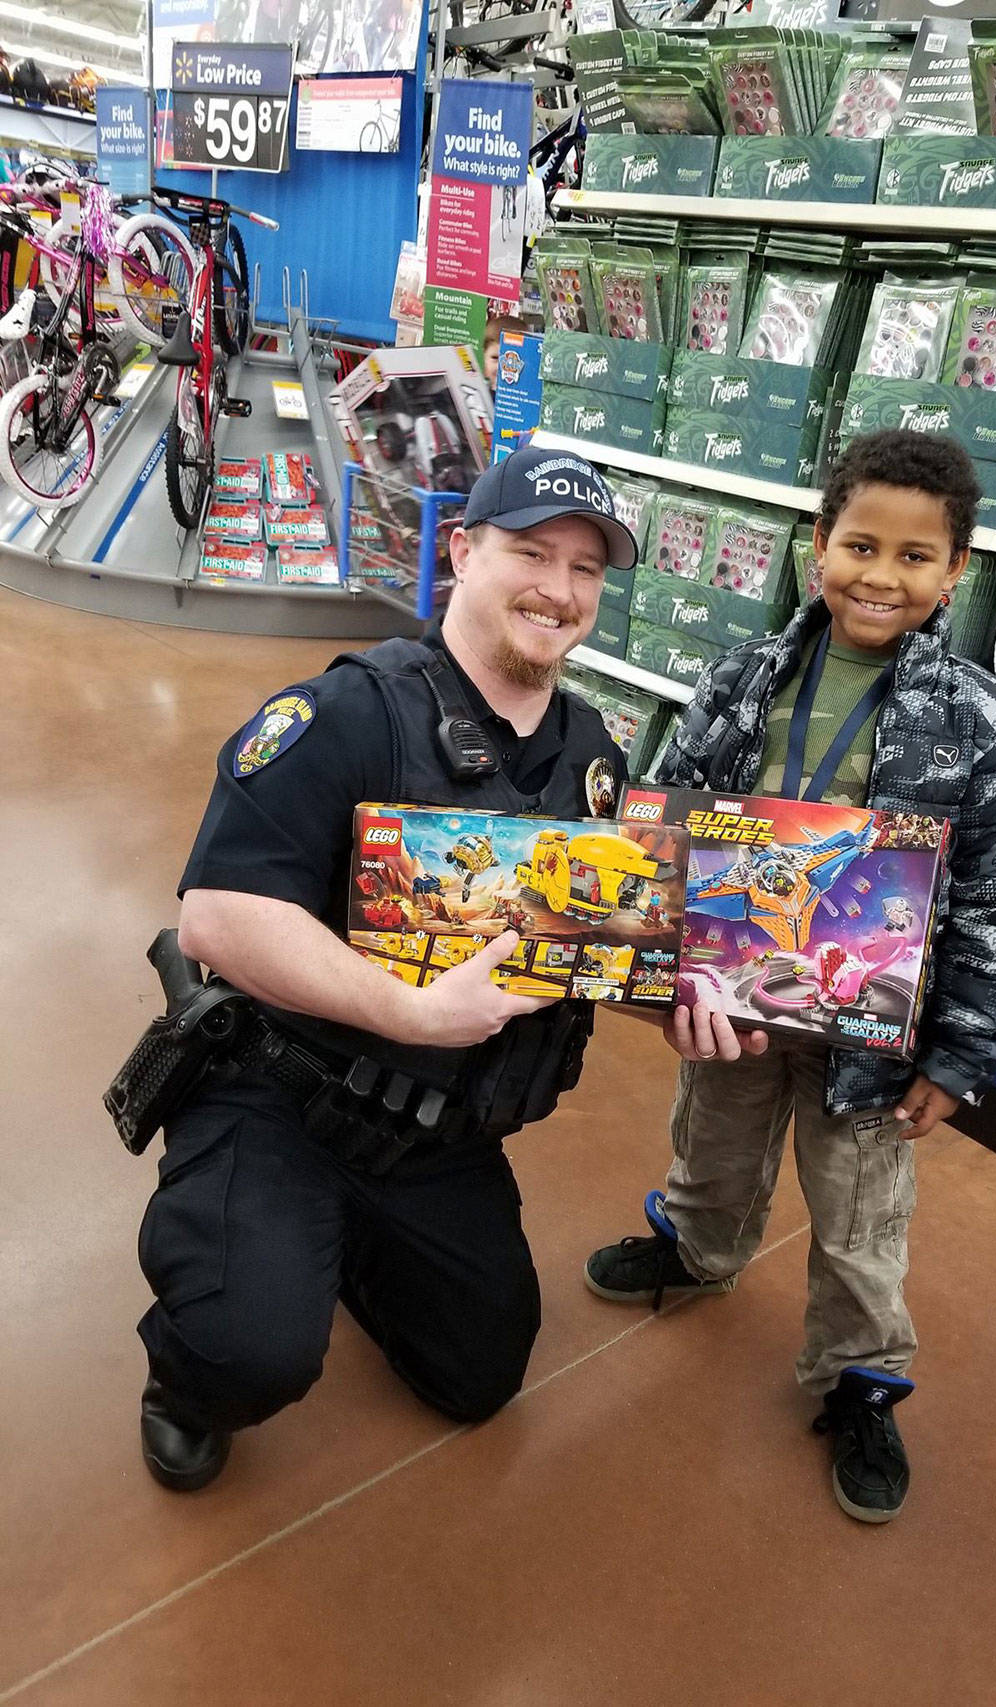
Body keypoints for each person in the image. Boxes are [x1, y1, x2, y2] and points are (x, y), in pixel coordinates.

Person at [134, 447, 662, 1492]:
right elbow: (216, 920)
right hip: (279, 1096)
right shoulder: (345, 715)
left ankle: (330, 1254)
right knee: (251, 1351)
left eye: (586, 569)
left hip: (435, 1131)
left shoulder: (596, 756)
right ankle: (187, 1375)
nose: (558, 590)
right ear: (460, 551)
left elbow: (595, 940)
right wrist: (412, 1013)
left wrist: (690, 999)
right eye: (529, 552)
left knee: (479, 1376)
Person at [586, 430, 996, 1525]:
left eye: (912, 557)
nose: (879, 577)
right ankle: (696, 1247)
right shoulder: (741, 677)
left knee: (857, 1217)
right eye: (857, 545)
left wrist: (960, 1052)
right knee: (711, 1135)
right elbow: (670, 829)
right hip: (733, 1004)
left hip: (871, 1035)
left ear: (953, 573)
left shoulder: (982, 723)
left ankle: (859, 1378)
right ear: (815, 546)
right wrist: (658, 976)